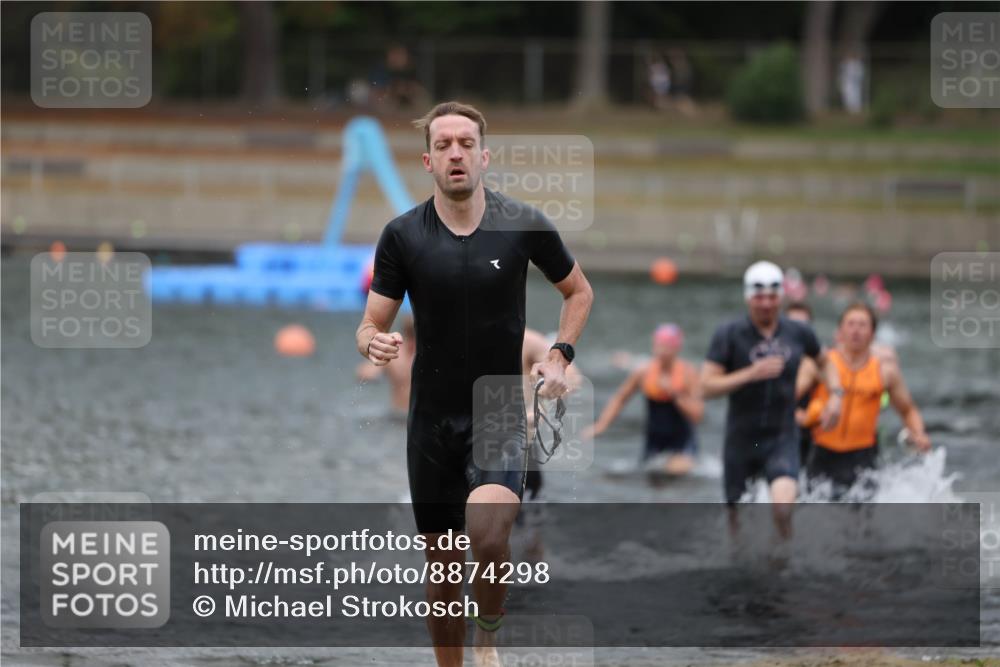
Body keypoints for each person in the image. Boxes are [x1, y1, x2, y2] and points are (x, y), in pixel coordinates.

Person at [355, 101, 593, 667]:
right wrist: (373, 342)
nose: (455, 153)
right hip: (430, 419)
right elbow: (370, 325)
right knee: (441, 570)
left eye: (466, 143)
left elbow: (578, 292)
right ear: (427, 161)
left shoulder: (524, 224)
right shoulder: (402, 236)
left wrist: (559, 355)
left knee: (487, 537)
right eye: (444, 145)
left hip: (496, 408)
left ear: (484, 157)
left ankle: (487, 634)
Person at [700, 261, 842, 535]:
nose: (766, 304)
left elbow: (826, 363)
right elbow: (705, 387)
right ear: (748, 297)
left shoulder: (798, 332)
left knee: (782, 509)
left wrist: (836, 394)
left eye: (772, 297)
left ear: (781, 298)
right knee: (737, 522)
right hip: (741, 439)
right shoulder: (728, 334)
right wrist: (749, 374)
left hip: (781, 437)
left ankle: (782, 565)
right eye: (759, 297)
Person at [799, 302, 931, 497]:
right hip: (822, 453)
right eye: (850, 324)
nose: (856, 331)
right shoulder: (821, 364)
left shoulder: (885, 371)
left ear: (873, 334)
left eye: (862, 325)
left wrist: (919, 433)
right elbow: (789, 397)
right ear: (840, 331)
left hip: (863, 457)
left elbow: (908, 410)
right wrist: (799, 417)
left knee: (863, 522)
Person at [585, 324, 703, 476]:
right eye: (659, 346)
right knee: (652, 479)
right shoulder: (643, 372)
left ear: (676, 348)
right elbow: (620, 398)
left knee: (677, 474)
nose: (662, 351)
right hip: (654, 440)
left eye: (667, 347)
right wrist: (601, 425)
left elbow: (698, 415)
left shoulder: (688, 373)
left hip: (682, 440)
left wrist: (675, 394)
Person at [355, 316, 416, 416]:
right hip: (401, 416)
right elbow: (364, 372)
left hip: (400, 416)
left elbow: (364, 373)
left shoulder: (394, 353)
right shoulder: (395, 353)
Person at [785, 302, 817, 466]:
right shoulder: (767, 358)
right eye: (792, 325)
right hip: (774, 431)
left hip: (808, 434)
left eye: (803, 326)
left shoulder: (821, 362)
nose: (798, 331)